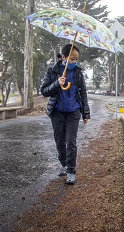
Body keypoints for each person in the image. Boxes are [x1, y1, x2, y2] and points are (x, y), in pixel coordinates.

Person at [41, 44, 90, 184]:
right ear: (63, 57)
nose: (75, 62)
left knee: (71, 142)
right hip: (57, 112)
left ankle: (71, 171)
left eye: (76, 59)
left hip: (73, 112)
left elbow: (83, 93)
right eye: (72, 59)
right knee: (59, 141)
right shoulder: (53, 71)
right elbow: (44, 91)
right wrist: (57, 83)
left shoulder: (78, 73)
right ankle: (63, 164)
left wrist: (85, 113)